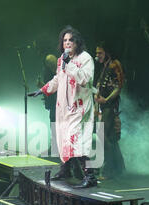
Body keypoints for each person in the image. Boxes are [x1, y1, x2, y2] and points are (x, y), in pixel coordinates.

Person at [28, 25, 97, 188]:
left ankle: (90, 176)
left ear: (77, 42)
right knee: (63, 138)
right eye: (64, 40)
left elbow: (85, 80)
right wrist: (43, 90)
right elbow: (58, 79)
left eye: (71, 40)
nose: (67, 43)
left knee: (78, 140)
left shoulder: (85, 58)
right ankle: (66, 169)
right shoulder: (61, 59)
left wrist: (70, 64)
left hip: (79, 107)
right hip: (64, 107)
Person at [94, 42, 126, 179]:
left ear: (107, 53)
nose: (97, 56)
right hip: (104, 106)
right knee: (111, 138)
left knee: (103, 136)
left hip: (110, 106)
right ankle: (119, 168)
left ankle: (108, 170)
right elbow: (101, 85)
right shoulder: (104, 67)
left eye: (99, 53)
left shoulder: (115, 65)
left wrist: (106, 100)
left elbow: (118, 87)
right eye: (96, 53)